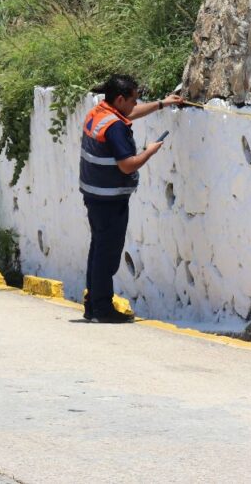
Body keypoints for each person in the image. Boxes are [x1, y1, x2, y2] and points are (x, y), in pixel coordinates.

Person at [80, 74, 183, 322]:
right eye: (133, 100)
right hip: (110, 199)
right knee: (108, 255)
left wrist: (163, 103)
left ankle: (92, 304)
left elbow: (131, 114)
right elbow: (127, 166)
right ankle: (103, 309)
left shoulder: (100, 113)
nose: (135, 105)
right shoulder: (115, 127)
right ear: (120, 99)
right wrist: (149, 151)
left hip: (94, 195)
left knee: (98, 250)